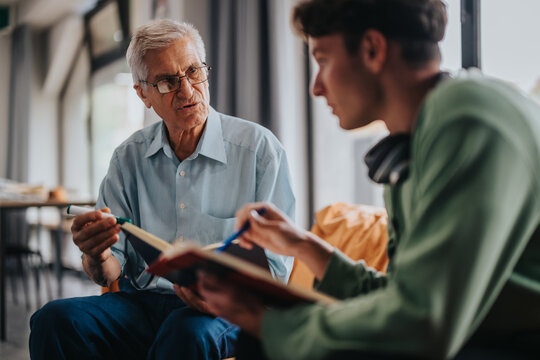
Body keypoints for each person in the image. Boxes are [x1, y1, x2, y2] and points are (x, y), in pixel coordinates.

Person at [197, 0, 540, 359]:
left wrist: (268, 325)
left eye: (323, 60)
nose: (316, 87)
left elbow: (421, 322)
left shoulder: (467, 119)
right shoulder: (414, 142)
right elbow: (400, 296)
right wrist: (304, 246)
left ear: (373, 50)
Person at [29, 19, 295, 360]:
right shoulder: (127, 158)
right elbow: (111, 270)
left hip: (225, 309)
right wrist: (96, 255)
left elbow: (276, 268)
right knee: (54, 320)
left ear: (205, 72)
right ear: (143, 94)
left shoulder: (259, 150)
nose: (187, 90)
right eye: (168, 81)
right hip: (140, 304)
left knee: (186, 332)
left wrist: (224, 296)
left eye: (193, 72)